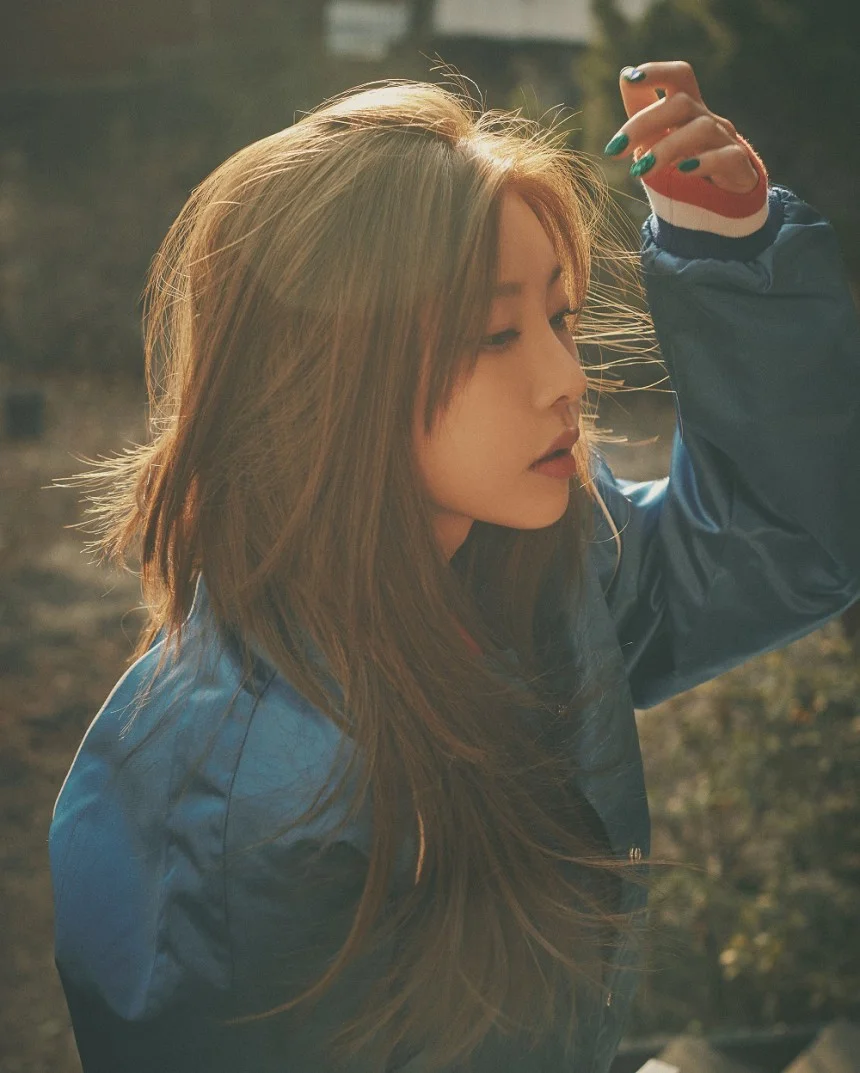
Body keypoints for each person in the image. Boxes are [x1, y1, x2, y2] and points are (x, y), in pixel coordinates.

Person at [49, 61, 860, 1073]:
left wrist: (727, 246)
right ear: (330, 379)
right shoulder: (228, 813)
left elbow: (780, 548)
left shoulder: (548, 569)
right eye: (494, 334)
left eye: (559, 318)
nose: (566, 378)